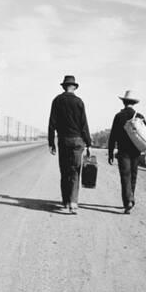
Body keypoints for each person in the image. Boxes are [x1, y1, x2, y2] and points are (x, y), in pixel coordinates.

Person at [48, 75, 92, 214]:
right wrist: (88, 143)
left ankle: (65, 201)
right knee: (74, 171)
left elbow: (52, 124)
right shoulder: (79, 102)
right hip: (78, 141)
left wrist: (51, 143)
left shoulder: (57, 100)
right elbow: (84, 124)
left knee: (64, 170)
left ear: (63, 86)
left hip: (63, 140)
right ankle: (73, 202)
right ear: (74, 87)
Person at [108, 90, 146, 214]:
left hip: (123, 151)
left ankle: (128, 200)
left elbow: (113, 136)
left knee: (125, 176)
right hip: (136, 151)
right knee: (133, 176)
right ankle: (130, 199)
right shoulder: (139, 116)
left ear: (123, 102)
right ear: (134, 103)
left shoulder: (118, 116)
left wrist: (111, 152)